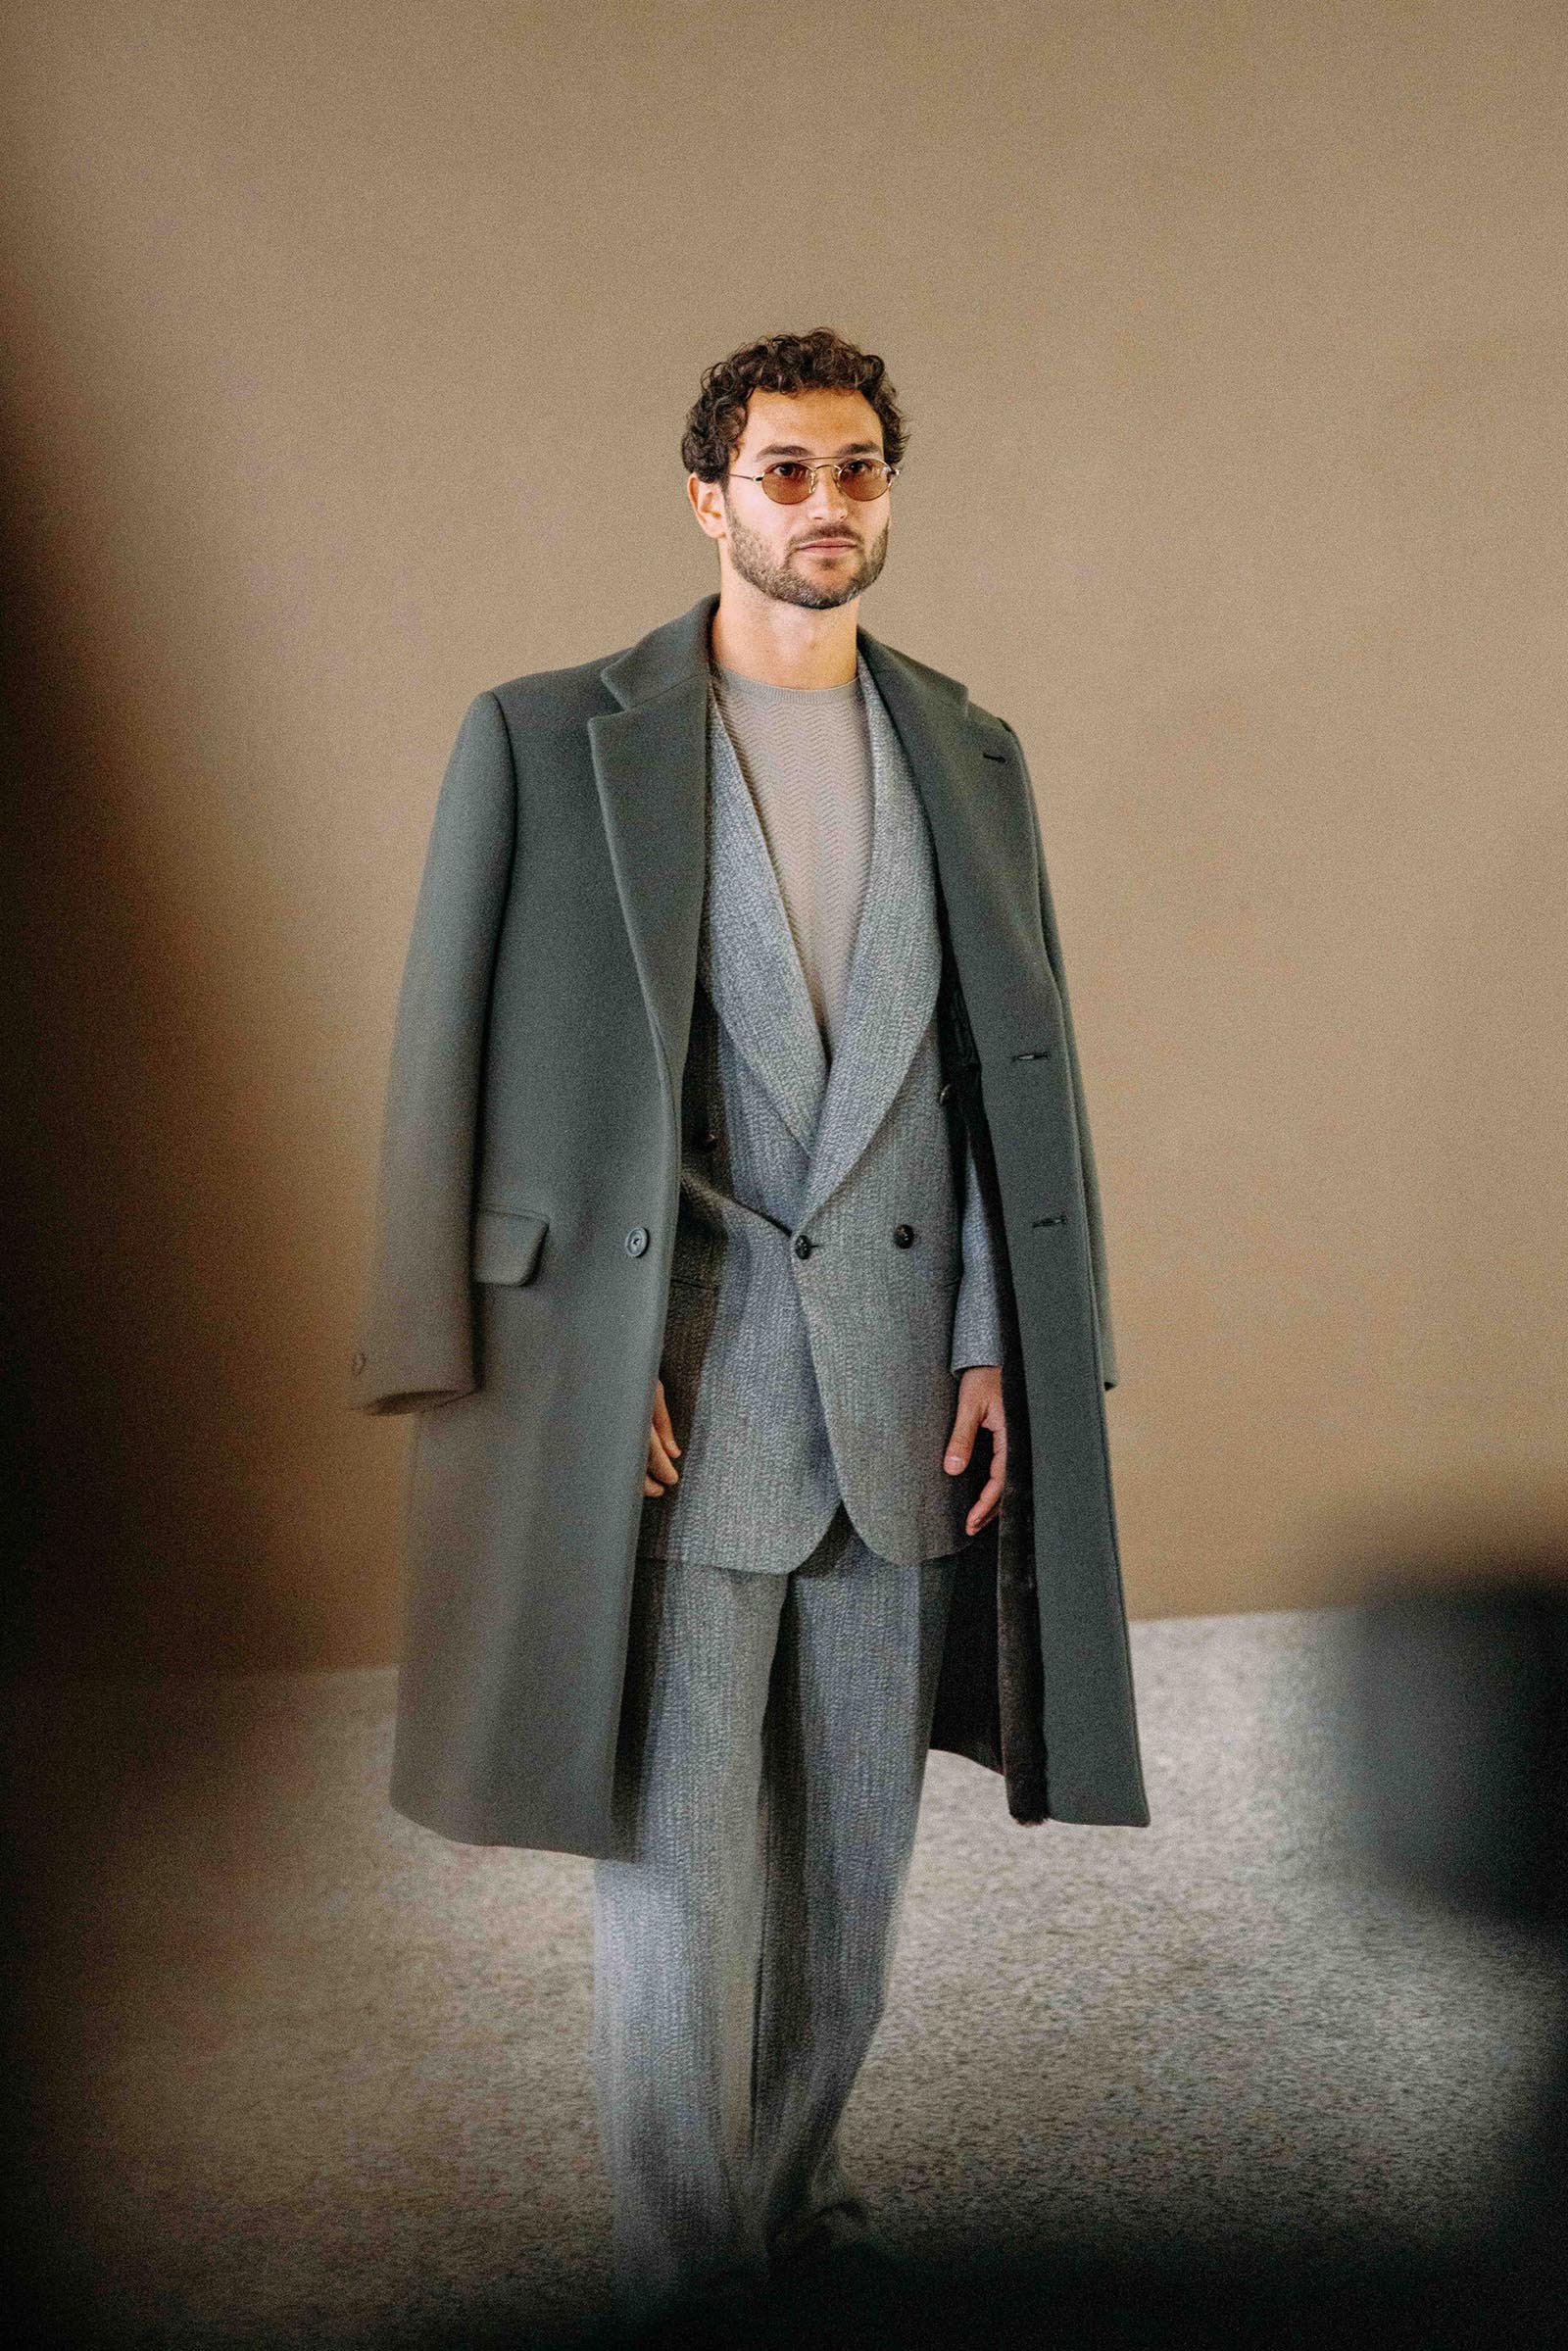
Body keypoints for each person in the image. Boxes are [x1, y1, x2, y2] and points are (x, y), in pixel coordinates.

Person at [347, 326, 1149, 2330]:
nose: (826, 505)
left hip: (897, 1397)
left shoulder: (968, 750)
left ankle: (795, 2215)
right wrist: (533, 1362)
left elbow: (1005, 1074)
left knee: (853, 1881)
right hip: (678, 1391)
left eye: (858, 469)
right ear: (707, 496)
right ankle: (681, 2265)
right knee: (681, 1874)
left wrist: (998, 1328)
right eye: (784, 472)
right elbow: (446, 1059)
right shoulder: (550, 736)